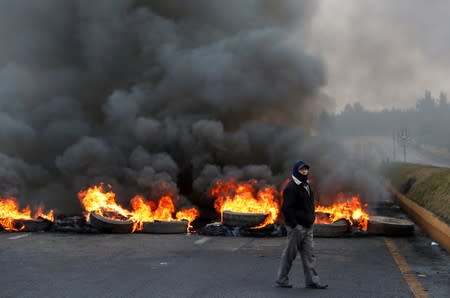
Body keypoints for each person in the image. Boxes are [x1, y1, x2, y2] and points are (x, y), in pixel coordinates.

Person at [276, 160, 328, 289]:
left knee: (309, 255)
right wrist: (295, 226)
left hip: (308, 227)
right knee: (290, 254)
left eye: (306, 169)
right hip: (297, 228)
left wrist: (312, 218)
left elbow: (309, 205)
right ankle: (282, 279)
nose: (305, 171)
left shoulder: (306, 186)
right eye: (302, 170)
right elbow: (286, 209)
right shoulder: (291, 187)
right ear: (296, 171)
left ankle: (312, 281)